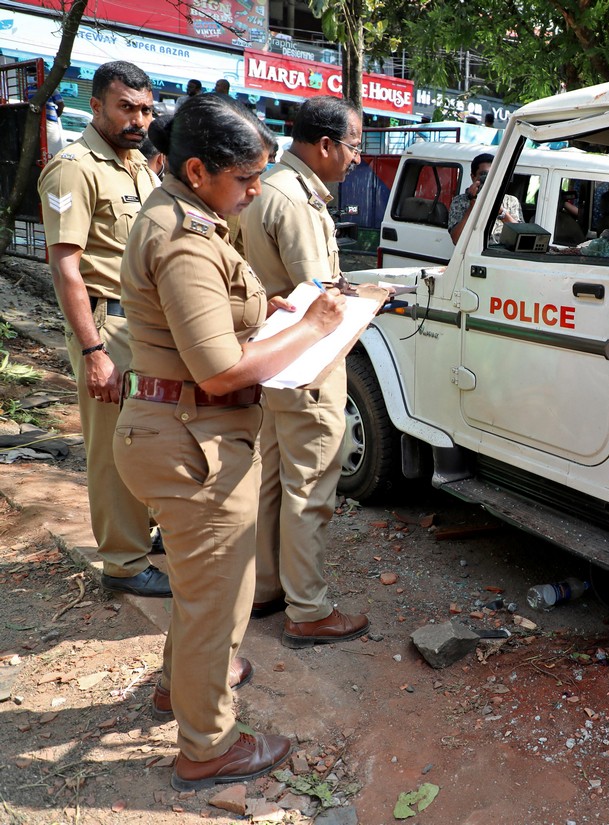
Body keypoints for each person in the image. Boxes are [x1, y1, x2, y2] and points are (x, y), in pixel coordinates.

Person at [113, 93, 346, 790]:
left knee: (198, 584)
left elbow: (208, 321)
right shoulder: (183, 236)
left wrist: (268, 313)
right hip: (193, 441)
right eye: (244, 179)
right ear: (196, 168)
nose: (253, 192)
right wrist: (312, 327)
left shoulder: (188, 215)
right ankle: (208, 743)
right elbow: (216, 371)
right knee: (219, 597)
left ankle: (172, 688)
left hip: (178, 432)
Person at [238, 96, 371, 648]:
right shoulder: (296, 202)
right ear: (324, 146)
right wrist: (371, 298)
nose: (357, 159)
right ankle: (308, 609)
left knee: (273, 479)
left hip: (274, 360)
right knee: (311, 484)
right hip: (307, 364)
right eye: (355, 146)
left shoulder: (268, 187)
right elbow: (320, 298)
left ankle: (267, 587)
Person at [36, 61, 169, 598]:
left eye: (145, 109)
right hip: (108, 324)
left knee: (149, 435)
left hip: (147, 322)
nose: (139, 119)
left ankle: (143, 532)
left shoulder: (139, 165)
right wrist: (93, 349)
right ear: (95, 106)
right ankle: (123, 561)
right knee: (114, 444)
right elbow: (65, 266)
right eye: (126, 107)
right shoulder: (74, 168)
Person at [448, 152, 522, 244]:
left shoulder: (511, 201)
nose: (488, 179)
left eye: (493, 175)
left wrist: (500, 211)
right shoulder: (459, 201)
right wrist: (473, 203)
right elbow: (456, 240)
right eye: (484, 175)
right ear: (473, 177)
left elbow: (521, 237)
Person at [27, 72, 65, 156]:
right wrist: (56, 115)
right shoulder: (28, 90)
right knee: (52, 150)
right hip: (41, 121)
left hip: (44, 121)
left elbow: (61, 105)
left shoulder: (51, 89)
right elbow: (61, 105)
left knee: (51, 150)